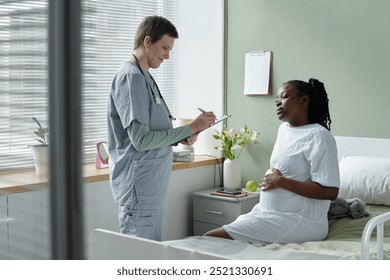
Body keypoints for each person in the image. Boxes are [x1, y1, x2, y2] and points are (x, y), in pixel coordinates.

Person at [107, 16, 216, 241]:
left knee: (148, 252)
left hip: (149, 186)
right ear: (147, 41)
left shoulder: (144, 76)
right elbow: (141, 140)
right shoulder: (131, 78)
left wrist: (184, 136)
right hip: (138, 187)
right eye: (165, 48)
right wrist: (190, 127)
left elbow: (153, 132)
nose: (167, 55)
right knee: (140, 257)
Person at [204, 78, 340, 244]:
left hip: (300, 221)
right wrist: (275, 179)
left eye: (284, 97)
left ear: (304, 100)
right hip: (267, 212)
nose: (278, 103)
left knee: (210, 238)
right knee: (215, 241)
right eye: (276, 100)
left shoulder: (319, 136)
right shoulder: (284, 130)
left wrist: (281, 181)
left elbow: (330, 192)